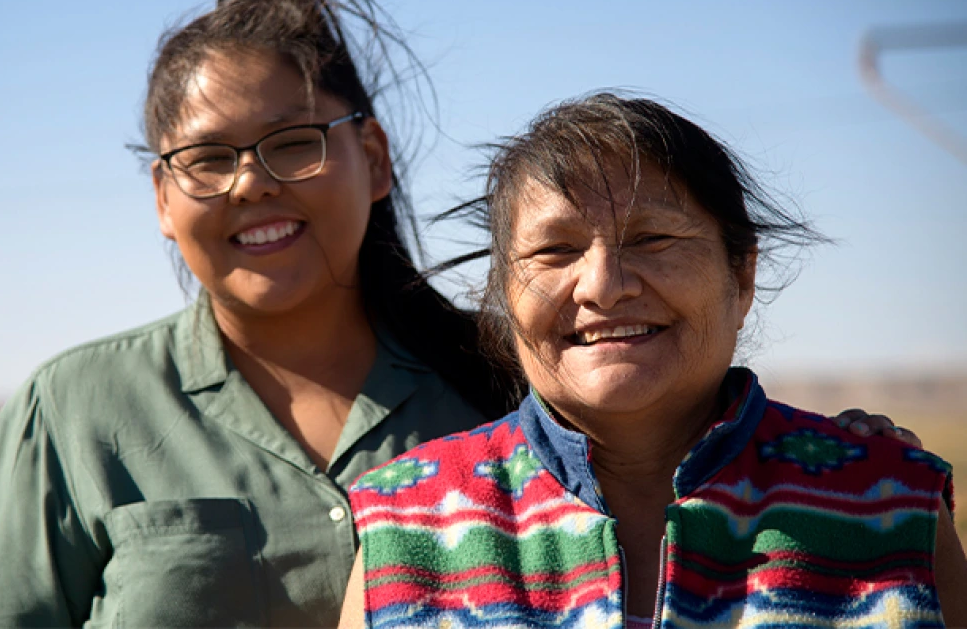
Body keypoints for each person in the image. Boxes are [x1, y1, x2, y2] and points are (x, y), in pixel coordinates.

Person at [0, 0, 915, 625]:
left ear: (375, 155)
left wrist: (855, 464)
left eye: (292, 142)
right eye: (207, 160)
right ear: (161, 194)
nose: (251, 183)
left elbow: (684, 455)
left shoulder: (506, 378)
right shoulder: (72, 411)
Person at [340, 93, 967, 628]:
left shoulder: (891, 506)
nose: (603, 286)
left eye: (652, 239)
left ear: (741, 276)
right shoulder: (404, 525)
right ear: (506, 291)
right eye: (555, 250)